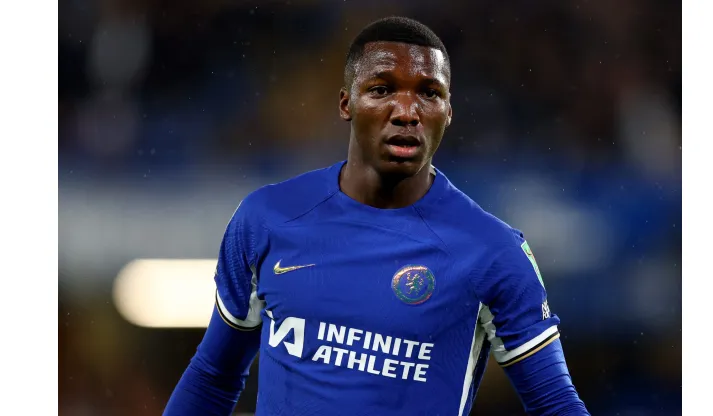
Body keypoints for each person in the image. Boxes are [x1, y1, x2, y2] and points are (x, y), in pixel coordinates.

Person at [164, 16, 590, 416]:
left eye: (429, 93)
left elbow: (556, 404)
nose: (407, 112)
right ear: (347, 103)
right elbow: (213, 377)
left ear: (449, 112)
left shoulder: (493, 253)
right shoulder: (266, 219)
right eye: (383, 89)